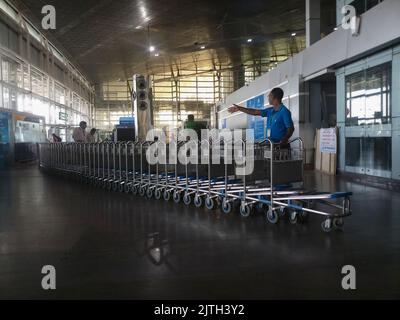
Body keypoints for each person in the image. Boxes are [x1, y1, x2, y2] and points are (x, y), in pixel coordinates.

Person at [228, 87, 294, 148]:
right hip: (271, 145)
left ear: (275, 98)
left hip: (281, 146)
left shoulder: (284, 112)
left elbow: (290, 129)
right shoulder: (270, 111)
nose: (268, 97)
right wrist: (239, 108)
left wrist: (283, 140)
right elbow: (254, 112)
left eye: (270, 95)